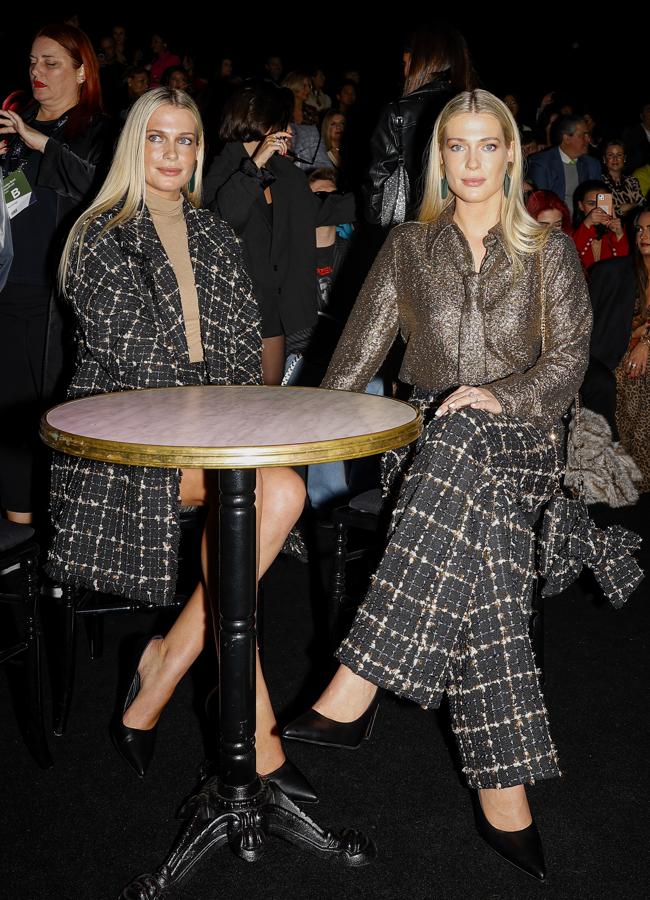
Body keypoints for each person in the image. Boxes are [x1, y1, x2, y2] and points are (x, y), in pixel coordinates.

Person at [283, 90, 592, 880]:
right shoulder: (408, 247)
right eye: (458, 147)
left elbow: (566, 366)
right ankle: (504, 790)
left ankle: (359, 680)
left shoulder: (548, 250)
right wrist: (288, 438)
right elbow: (351, 361)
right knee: (475, 516)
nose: (473, 163)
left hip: (524, 440)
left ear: (511, 155)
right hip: (426, 454)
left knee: (468, 434)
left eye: (489, 147)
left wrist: (500, 396)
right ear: (439, 157)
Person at [46, 88, 314, 802]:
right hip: (120, 448)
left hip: (204, 439)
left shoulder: (215, 236)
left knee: (275, 489)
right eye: (158, 138)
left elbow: (234, 359)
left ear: (201, 151)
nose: (171, 153)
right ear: (136, 144)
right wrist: (226, 425)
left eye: (186, 140)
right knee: (272, 491)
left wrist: (239, 422)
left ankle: (166, 668)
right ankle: (255, 739)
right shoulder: (98, 235)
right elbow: (137, 363)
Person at [0, 23, 110, 526]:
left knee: (45, 411)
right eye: (32, 62)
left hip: (55, 296)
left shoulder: (98, 130)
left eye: (51, 63)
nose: (37, 73)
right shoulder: (11, 122)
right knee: (8, 410)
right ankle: (17, 524)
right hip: (7, 281)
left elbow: (104, 191)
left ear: (82, 70)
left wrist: (42, 145)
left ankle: (55, 531)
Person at [203, 81, 355, 385]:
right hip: (233, 312)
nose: (290, 130)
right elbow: (223, 219)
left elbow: (321, 210)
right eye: (284, 122)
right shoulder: (221, 168)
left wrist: (381, 198)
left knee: (270, 406)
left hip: (275, 310)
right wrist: (255, 165)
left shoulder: (285, 172)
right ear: (262, 120)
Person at [364, 22, 473, 226]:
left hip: (414, 225)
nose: (405, 73)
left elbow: (377, 184)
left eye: (406, 64)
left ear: (423, 63)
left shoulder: (398, 112)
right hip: (467, 222)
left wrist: (375, 227)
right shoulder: (475, 107)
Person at [615, 208, 650, 491]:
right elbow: (612, 325)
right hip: (625, 348)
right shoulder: (624, 273)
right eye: (639, 229)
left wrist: (646, 343)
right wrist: (634, 339)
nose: (644, 235)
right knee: (622, 370)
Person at [526, 115, 602, 213]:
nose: (588, 139)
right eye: (583, 135)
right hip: (555, 223)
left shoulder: (592, 164)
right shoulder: (541, 163)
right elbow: (541, 205)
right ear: (566, 139)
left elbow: (600, 199)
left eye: (588, 135)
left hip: (586, 223)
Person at [572, 180, 629, 272]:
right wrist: (587, 224)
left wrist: (619, 235)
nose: (597, 209)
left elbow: (624, 266)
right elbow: (571, 257)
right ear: (581, 206)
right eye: (591, 204)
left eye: (602, 204)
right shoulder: (571, 232)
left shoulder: (620, 229)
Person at [601, 141, 644, 218]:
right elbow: (605, 212)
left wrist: (624, 208)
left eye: (619, 155)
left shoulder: (632, 181)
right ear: (604, 159)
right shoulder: (600, 182)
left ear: (624, 158)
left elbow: (642, 206)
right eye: (610, 155)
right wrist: (631, 207)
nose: (615, 159)